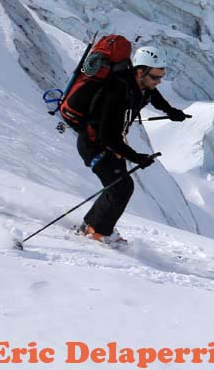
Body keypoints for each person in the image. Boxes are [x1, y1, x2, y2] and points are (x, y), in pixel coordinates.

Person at [75, 45, 189, 243]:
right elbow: (108, 136)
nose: (158, 82)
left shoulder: (140, 86)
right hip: (94, 144)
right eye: (155, 77)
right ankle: (97, 233)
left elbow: (152, 95)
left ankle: (91, 226)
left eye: (161, 76)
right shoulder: (117, 92)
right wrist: (136, 157)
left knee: (117, 186)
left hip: (111, 144)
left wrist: (170, 111)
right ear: (139, 71)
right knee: (121, 187)